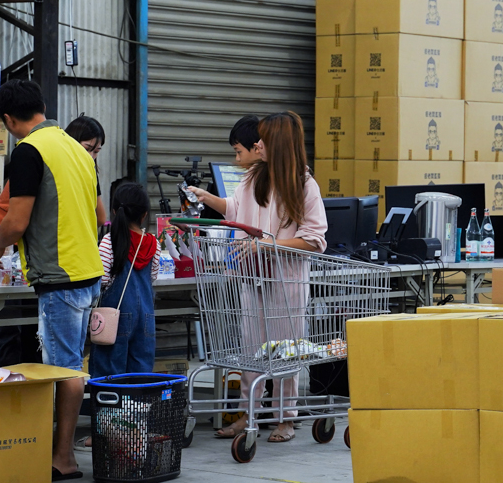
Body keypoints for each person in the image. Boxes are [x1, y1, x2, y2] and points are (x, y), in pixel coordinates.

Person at [189, 111, 328, 443]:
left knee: (285, 353)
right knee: (251, 352)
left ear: (276, 143)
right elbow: (237, 210)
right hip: (252, 280)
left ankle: (285, 419)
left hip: (286, 282)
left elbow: (315, 238)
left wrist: (269, 246)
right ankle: (248, 414)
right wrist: (209, 200)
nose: (257, 143)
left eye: (263, 138)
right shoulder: (253, 178)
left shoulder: (304, 184)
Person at [0, 80, 102, 481]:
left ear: (8, 119)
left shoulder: (28, 151)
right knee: (73, 365)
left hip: (60, 279)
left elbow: (16, 221)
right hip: (89, 274)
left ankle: (63, 458)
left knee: (65, 370)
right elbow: (101, 215)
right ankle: (60, 451)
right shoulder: (77, 148)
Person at [76, 182, 160, 452]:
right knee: (139, 375)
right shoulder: (152, 243)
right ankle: (135, 433)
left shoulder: (110, 240)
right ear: (144, 215)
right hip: (145, 319)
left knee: (108, 375)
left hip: (114, 318)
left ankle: (104, 434)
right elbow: (153, 277)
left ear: (114, 211)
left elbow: (101, 278)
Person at [0, 115, 107, 228]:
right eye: (87, 149)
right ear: (71, 142)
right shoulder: (45, 162)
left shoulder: (87, 171)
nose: (90, 156)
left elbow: (100, 218)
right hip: (4, 231)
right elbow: (18, 220)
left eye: (96, 152)